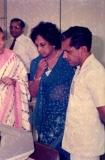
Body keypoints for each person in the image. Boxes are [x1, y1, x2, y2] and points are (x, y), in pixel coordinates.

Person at [28, 22, 75, 160]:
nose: (39, 49)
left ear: (53, 42)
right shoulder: (36, 63)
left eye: (42, 45)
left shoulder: (67, 59)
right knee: (48, 154)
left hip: (67, 117)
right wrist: (38, 74)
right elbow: (33, 93)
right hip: (46, 118)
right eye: (36, 45)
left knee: (65, 154)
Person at [61, 26, 105, 160]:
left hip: (87, 147)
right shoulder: (81, 68)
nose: (64, 56)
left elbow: (103, 110)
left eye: (68, 51)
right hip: (79, 143)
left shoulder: (94, 72)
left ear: (83, 49)